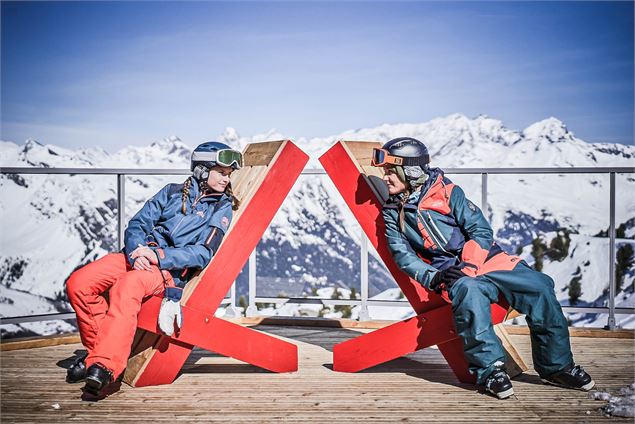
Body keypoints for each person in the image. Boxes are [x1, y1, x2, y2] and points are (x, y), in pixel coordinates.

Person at [371, 137, 594, 399]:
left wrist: (471, 263)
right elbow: (402, 254)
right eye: (384, 172)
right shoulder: (391, 210)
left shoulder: (447, 191)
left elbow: (480, 230)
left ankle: (557, 366)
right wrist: (434, 277)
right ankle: (490, 371)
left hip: (487, 260)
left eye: (390, 171)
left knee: (540, 286)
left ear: (410, 172)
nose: (385, 178)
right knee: (470, 294)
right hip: (451, 272)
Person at [65, 141, 243, 396]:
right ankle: (97, 354)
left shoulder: (220, 208)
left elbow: (203, 253)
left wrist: (157, 256)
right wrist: (137, 249)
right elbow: (138, 223)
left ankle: (105, 366)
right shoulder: (171, 192)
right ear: (202, 170)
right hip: (136, 255)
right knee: (79, 284)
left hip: (164, 269)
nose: (226, 180)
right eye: (221, 173)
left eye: (228, 175)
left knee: (127, 286)